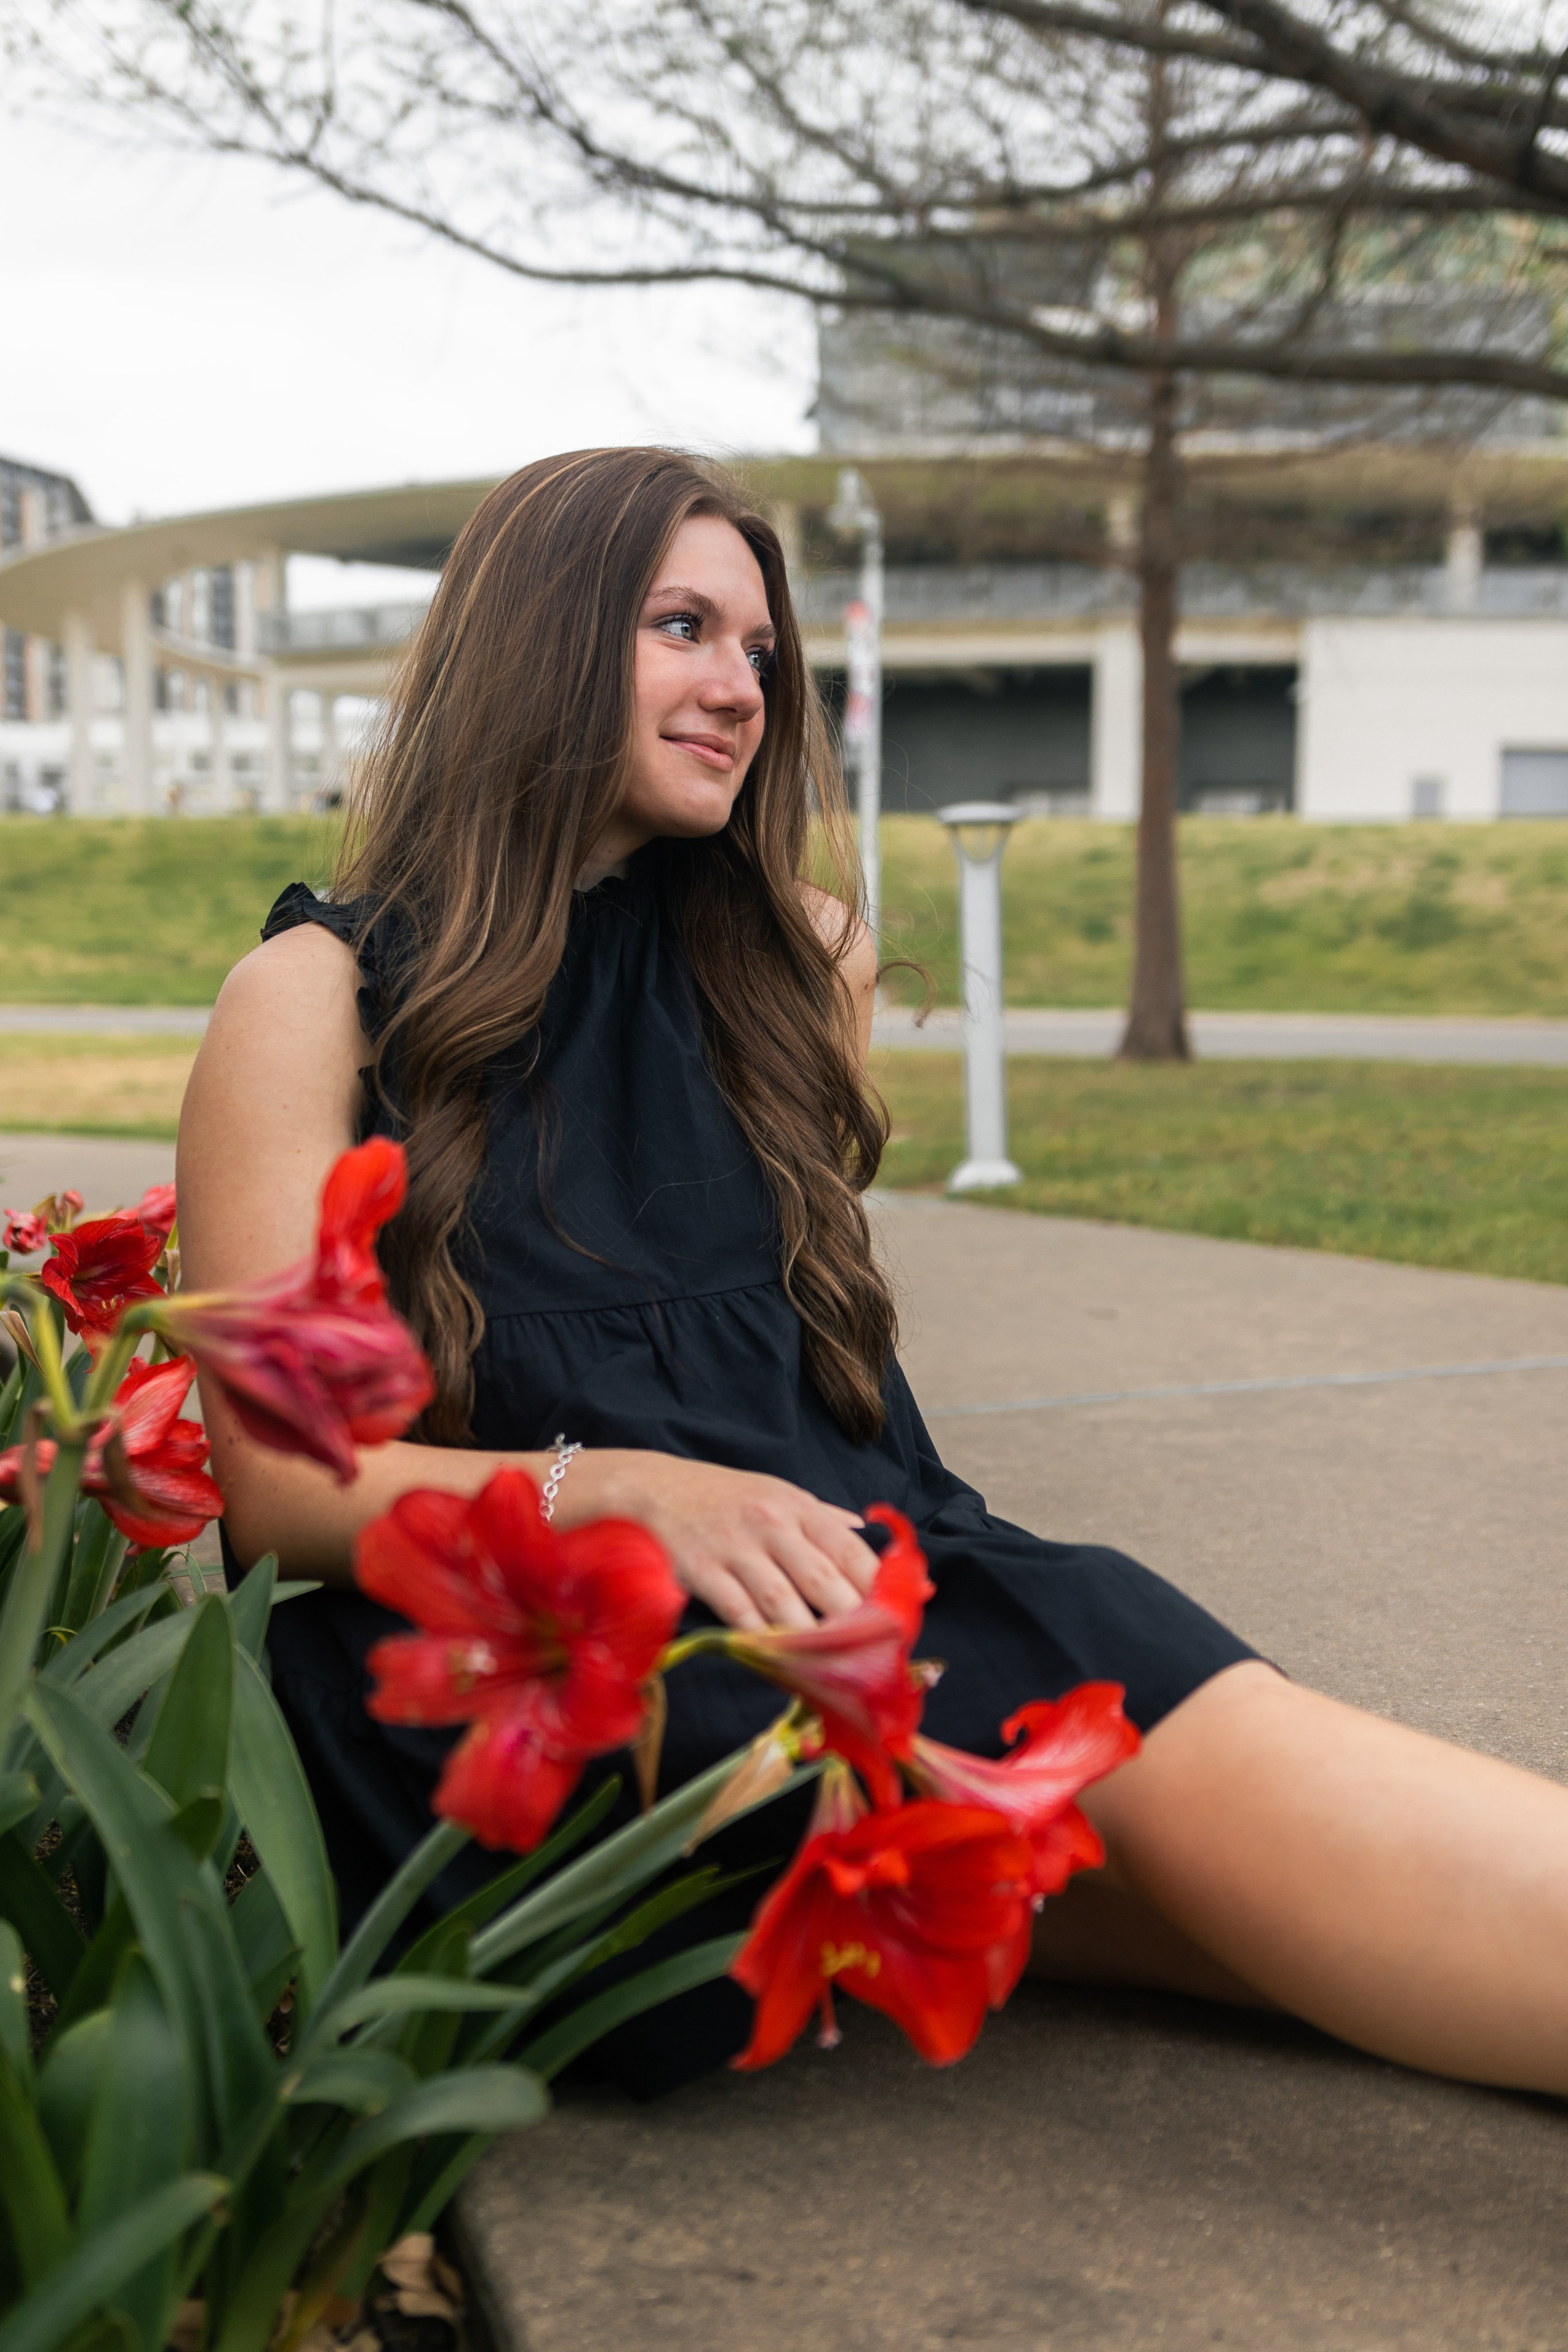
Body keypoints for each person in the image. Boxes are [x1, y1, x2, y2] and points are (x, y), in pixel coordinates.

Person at [179, 448, 1568, 2099]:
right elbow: (273, 1488)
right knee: (1194, 1778)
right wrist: (615, 1492)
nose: (739, 688)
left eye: (760, 651)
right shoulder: (316, 998)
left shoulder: (795, 962)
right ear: (538, 643)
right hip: (554, 1690)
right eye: (683, 627)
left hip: (860, 1601)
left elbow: (798, 1398)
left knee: (1275, 1871)